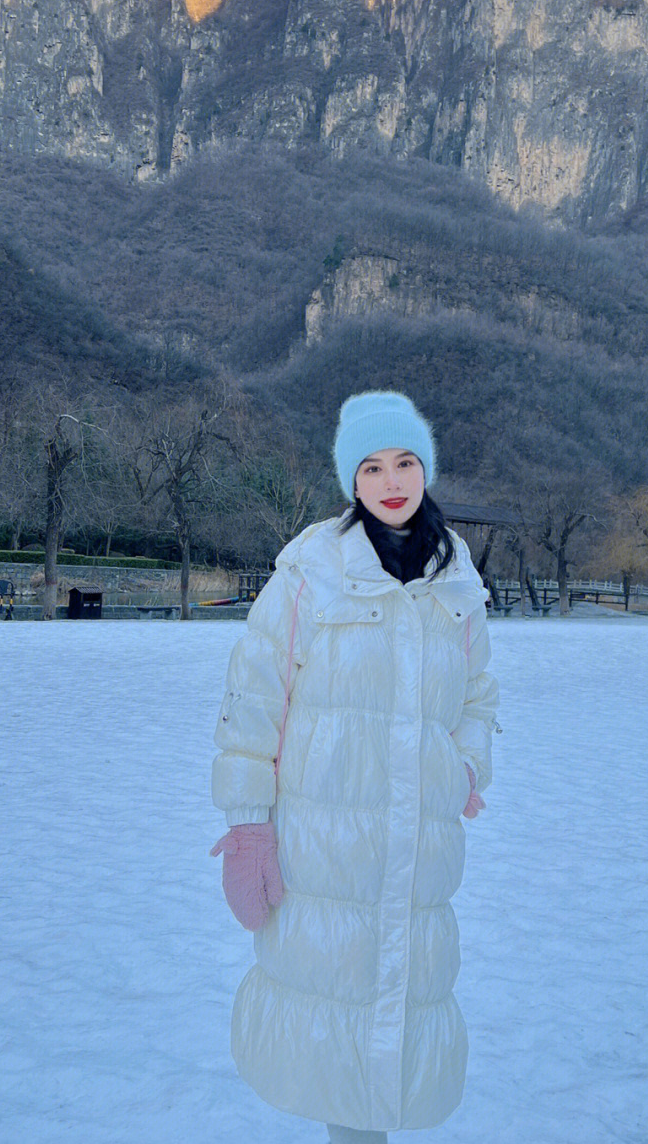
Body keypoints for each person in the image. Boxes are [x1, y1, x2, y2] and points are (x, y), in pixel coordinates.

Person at [211, 391, 499, 1143]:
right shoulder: (313, 571)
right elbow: (254, 693)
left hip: (417, 855)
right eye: (373, 466)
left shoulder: (456, 579)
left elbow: (479, 690)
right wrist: (247, 824)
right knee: (338, 1026)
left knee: (397, 1028)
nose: (392, 479)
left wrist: (464, 767)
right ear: (352, 480)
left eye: (405, 462)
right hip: (326, 847)